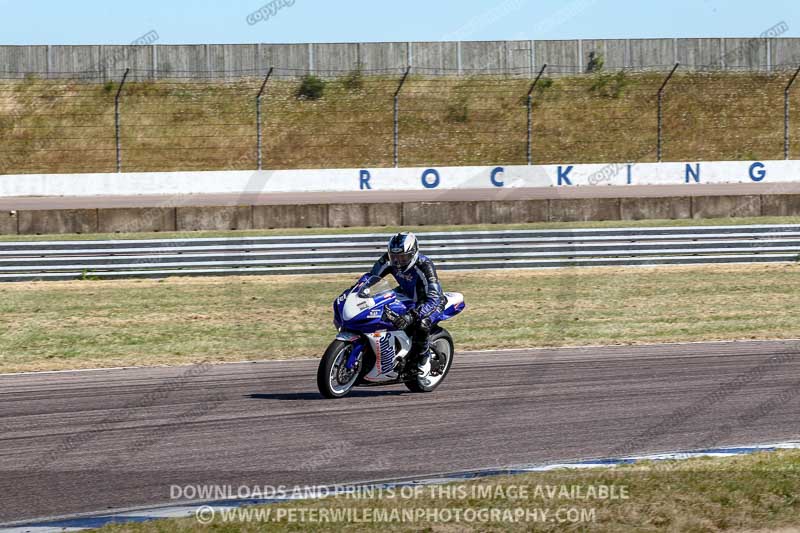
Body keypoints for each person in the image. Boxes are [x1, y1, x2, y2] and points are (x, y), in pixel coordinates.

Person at [369, 232, 444, 377]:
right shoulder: (388, 260)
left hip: (430, 301)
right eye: (394, 256)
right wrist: (357, 290)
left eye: (403, 257)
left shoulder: (424, 265)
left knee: (421, 324)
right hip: (406, 295)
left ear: (414, 253)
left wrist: (411, 316)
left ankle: (424, 360)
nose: (398, 261)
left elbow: (433, 297)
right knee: (379, 308)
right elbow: (371, 277)